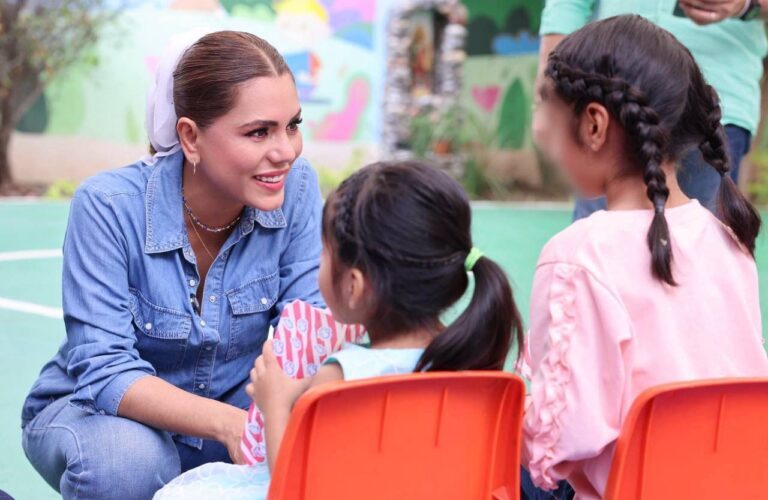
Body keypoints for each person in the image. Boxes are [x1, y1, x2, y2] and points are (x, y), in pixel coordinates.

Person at [20, 31, 324, 499]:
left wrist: (274, 421)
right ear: (189, 136)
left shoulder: (298, 189)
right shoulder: (108, 206)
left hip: (236, 418)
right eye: (259, 131)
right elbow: (106, 372)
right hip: (100, 417)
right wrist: (232, 425)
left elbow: (308, 333)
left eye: (292, 125)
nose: (286, 151)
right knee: (128, 464)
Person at [153, 160, 524, 499]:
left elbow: (298, 489)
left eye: (325, 252)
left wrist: (276, 403)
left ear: (354, 286)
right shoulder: (474, 363)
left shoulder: (342, 378)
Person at [524, 15, 767, 500]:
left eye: (550, 117)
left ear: (594, 124)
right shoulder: (727, 236)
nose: (547, 139)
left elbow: (558, 446)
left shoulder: (575, 255)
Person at [537, 0, 768, 219]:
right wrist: (552, 95)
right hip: (610, 90)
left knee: (703, 244)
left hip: (716, 98)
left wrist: (747, 5)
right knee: (595, 245)